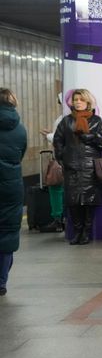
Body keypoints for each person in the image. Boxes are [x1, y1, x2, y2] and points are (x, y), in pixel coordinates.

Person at [53, 89, 102, 245]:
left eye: (81, 99)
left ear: (87, 102)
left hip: (90, 167)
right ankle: (77, 231)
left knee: (88, 201)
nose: (78, 102)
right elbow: (58, 140)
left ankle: (86, 232)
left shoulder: (96, 121)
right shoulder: (66, 121)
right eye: (75, 99)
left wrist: (92, 137)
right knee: (73, 201)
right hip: (71, 166)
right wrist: (61, 155)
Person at [0, 88, 27, 296]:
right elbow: (21, 154)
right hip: (11, 185)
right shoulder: (20, 129)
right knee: (8, 232)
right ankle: (1, 282)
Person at [39, 94, 66, 233]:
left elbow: (58, 139)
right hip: (74, 161)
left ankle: (58, 220)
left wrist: (48, 135)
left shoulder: (62, 119)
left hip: (61, 159)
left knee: (55, 187)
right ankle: (67, 218)